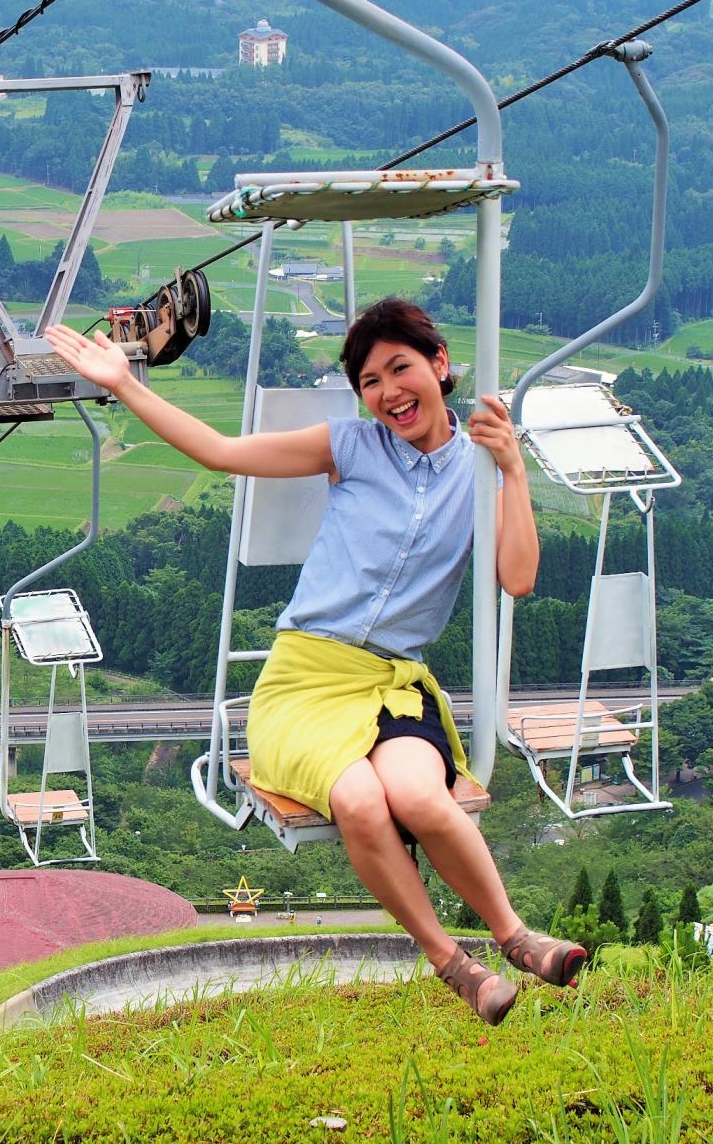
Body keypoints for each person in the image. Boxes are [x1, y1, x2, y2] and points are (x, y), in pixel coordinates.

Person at [45, 299, 585, 1025]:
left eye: (401, 368)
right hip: (305, 679)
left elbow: (517, 577)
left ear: (440, 364)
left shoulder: (483, 467)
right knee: (361, 801)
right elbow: (222, 452)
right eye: (370, 380)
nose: (390, 391)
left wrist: (513, 470)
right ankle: (453, 965)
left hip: (392, 682)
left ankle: (516, 937)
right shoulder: (351, 447)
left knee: (422, 798)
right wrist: (126, 384)